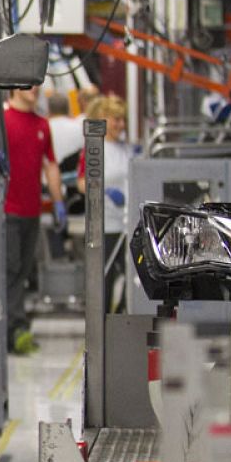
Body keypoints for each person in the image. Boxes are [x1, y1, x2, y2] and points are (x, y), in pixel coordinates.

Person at [0, 85, 65, 356]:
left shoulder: (42, 124)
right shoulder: (1, 121)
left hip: (32, 211)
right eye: (29, 86)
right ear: (14, 89)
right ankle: (14, 329)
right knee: (10, 270)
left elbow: (50, 165)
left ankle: (13, 328)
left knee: (23, 271)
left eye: (37, 85)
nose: (35, 90)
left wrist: (58, 202)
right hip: (7, 210)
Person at [77, 96, 133, 309]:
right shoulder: (94, 148)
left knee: (132, 280)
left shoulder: (125, 147)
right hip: (105, 226)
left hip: (127, 224)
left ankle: (120, 320)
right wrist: (103, 191)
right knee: (104, 283)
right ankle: (101, 331)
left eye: (122, 120)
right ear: (103, 119)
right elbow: (82, 182)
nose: (121, 124)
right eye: (116, 119)